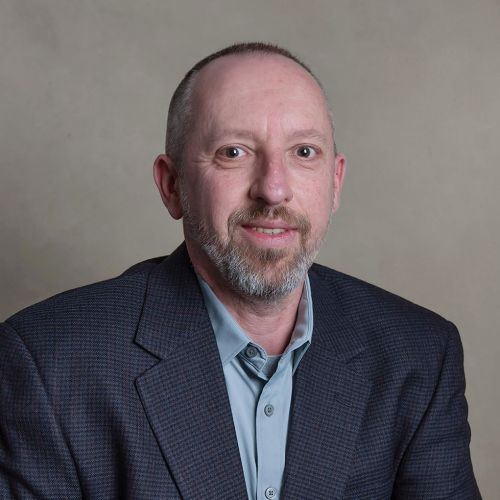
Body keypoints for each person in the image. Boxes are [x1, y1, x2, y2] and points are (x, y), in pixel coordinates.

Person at [0, 42, 480, 499]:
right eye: (233, 152)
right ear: (172, 185)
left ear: (335, 183)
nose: (273, 189)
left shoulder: (418, 354)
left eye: (303, 152)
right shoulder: (48, 363)